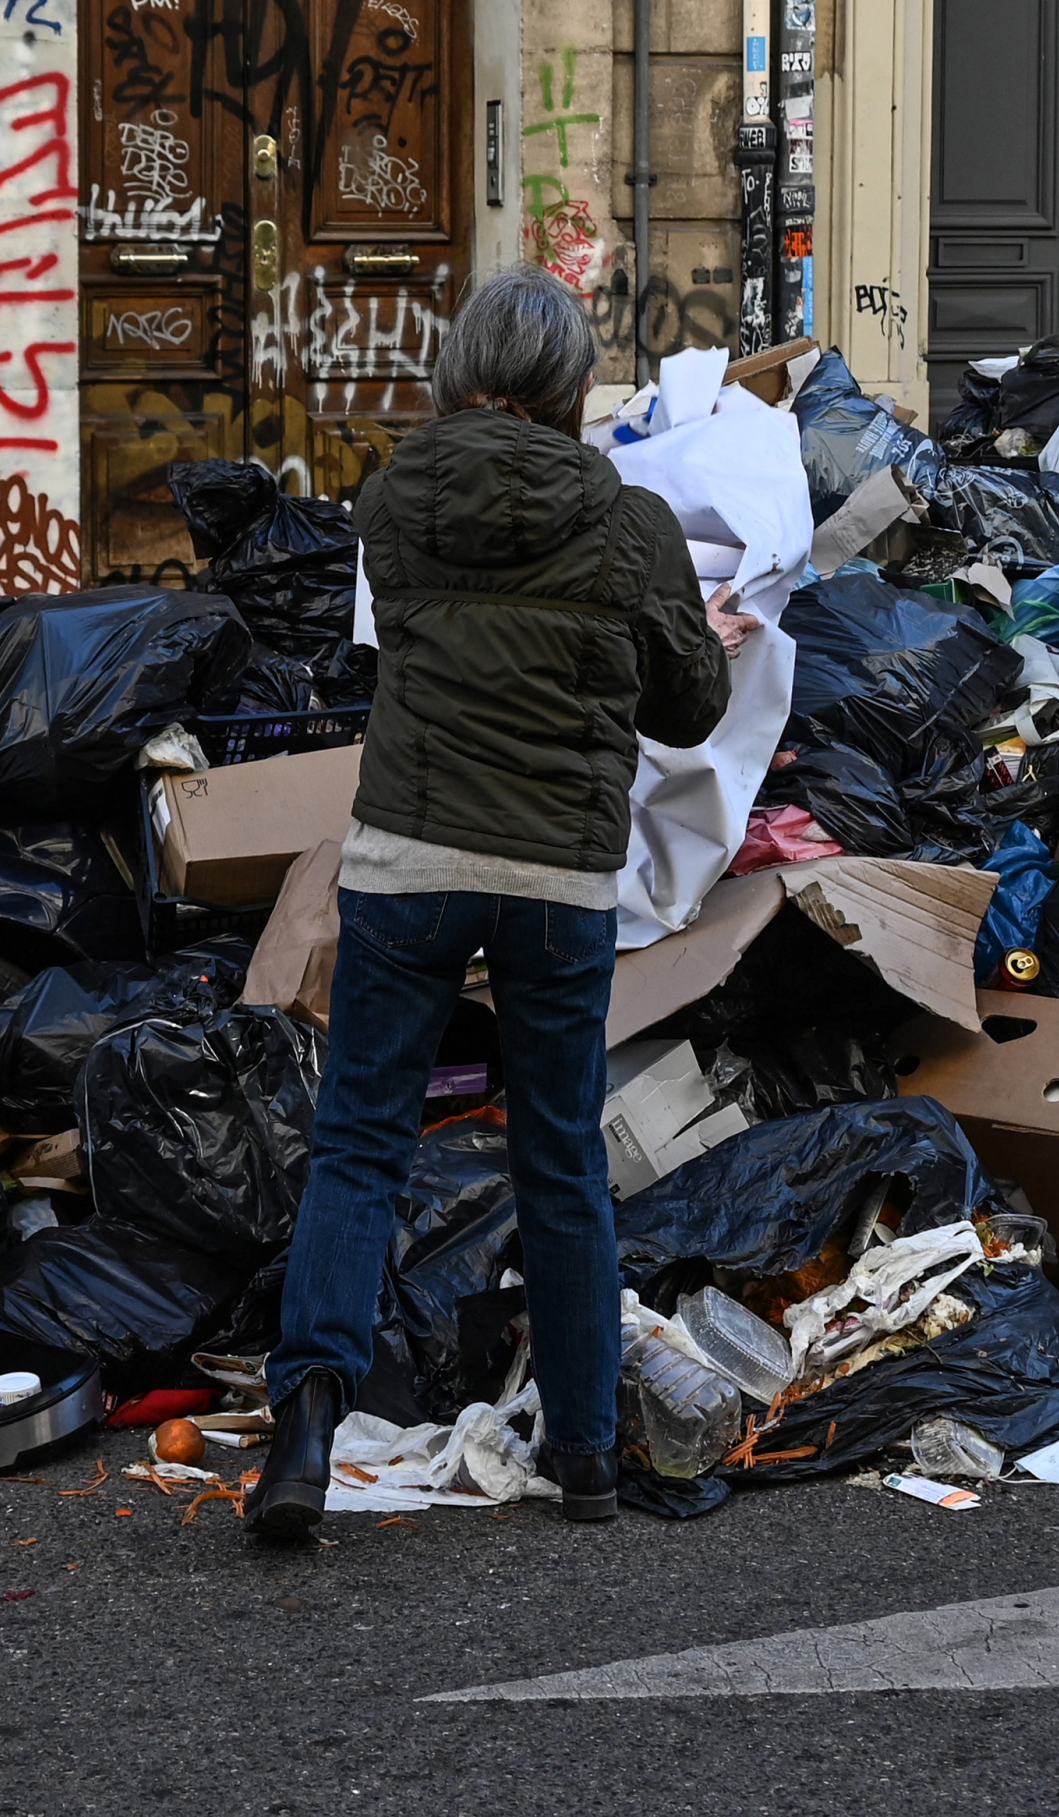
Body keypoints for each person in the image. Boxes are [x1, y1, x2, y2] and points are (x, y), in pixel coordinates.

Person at [244, 268, 753, 1535]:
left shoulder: (394, 499)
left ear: (461, 369)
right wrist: (687, 625)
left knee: (360, 1140)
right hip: (556, 882)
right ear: (575, 385)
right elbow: (688, 708)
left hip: (407, 863)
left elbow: (418, 638)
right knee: (563, 1156)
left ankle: (303, 1435)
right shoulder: (629, 520)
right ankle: (585, 1455)